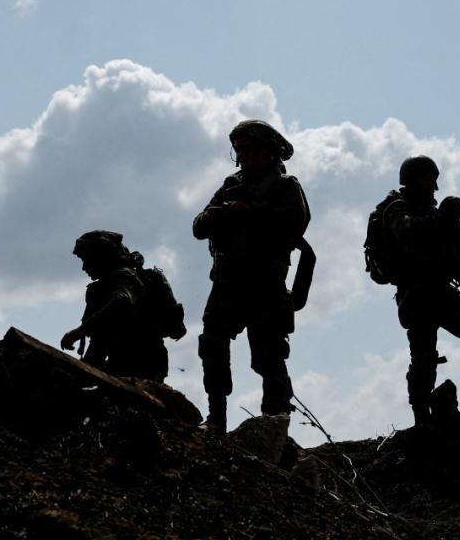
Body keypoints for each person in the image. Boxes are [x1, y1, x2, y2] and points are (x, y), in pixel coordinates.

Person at [192, 120, 310, 432]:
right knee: (213, 345)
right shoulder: (231, 184)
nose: (242, 156)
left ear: (269, 151)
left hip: (265, 285)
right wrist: (215, 215)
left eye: (249, 150)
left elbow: (296, 223)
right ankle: (216, 419)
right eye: (238, 150)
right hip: (228, 282)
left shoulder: (286, 187)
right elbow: (197, 227)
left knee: (269, 358)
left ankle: (274, 428)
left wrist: (251, 212)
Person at [379, 155, 460, 426]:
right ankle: (422, 418)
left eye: (432, 178)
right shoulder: (397, 208)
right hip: (416, 295)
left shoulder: (435, 213)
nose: (431, 184)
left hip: (440, 290)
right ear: (411, 180)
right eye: (425, 178)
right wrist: (443, 221)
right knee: (424, 358)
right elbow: (406, 231)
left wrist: (453, 221)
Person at [61, 230, 184, 382]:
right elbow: (100, 339)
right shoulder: (102, 287)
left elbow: (121, 302)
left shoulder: (124, 277)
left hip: (142, 363)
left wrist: (78, 333)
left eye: (87, 259)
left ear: (101, 256)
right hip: (121, 362)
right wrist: (87, 369)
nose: (84, 267)